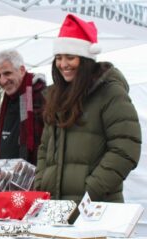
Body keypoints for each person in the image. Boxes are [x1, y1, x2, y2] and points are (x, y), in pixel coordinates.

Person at [34, 14, 141, 205]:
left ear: (85, 60)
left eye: (70, 57)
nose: (63, 64)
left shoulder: (110, 93)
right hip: (54, 208)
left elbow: (126, 148)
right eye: (58, 58)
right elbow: (44, 149)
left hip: (97, 209)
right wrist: (41, 184)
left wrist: (90, 191)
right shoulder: (56, 97)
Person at [0, 49, 46, 165]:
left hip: (35, 177)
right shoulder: (8, 101)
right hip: (7, 178)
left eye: (7, 73)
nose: (2, 80)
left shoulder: (41, 97)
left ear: (21, 70)